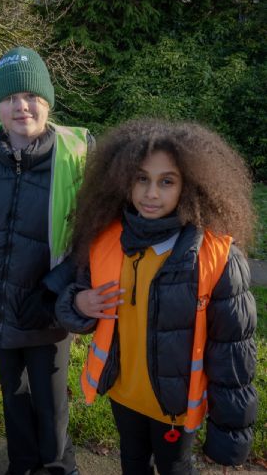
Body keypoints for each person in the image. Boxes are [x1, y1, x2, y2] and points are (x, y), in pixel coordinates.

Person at [55, 119, 258, 475]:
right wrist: (78, 303)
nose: (151, 193)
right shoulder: (105, 241)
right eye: (141, 179)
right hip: (122, 393)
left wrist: (230, 438)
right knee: (132, 462)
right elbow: (75, 298)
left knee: (174, 467)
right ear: (123, 180)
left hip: (174, 407)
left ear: (190, 186)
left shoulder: (216, 257)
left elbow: (233, 356)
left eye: (167, 181)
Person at [0, 46, 93, 475]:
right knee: (14, 393)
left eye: (30, 96)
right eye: (9, 98)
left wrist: (54, 288)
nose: (21, 106)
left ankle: (58, 466)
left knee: (50, 399)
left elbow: (94, 236)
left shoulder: (78, 156)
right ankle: (21, 464)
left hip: (47, 309)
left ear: (47, 102)